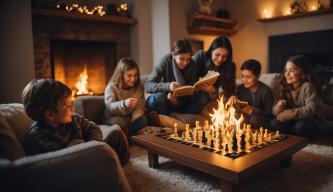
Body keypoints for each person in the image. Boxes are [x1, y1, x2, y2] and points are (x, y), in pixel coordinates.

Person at [22, 79, 129, 165]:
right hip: (72, 165)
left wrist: (92, 145)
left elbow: (93, 128)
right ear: (50, 115)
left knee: (116, 134)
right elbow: (40, 167)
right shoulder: (36, 137)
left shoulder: (74, 119)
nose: (73, 108)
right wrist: (67, 151)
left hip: (90, 151)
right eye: (68, 105)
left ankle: (119, 164)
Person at [145, 39, 208, 115]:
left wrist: (179, 100)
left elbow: (191, 89)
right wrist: (168, 87)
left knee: (203, 98)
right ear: (173, 55)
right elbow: (148, 85)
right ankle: (164, 119)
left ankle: (182, 117)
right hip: (165, 100)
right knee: (158, 98)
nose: (185, 63)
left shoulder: (192, 64)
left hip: (182, 103)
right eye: (181, 59)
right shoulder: (166, 61)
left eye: (188, 59)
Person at [270, 55, 322, 139]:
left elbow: (311, 110)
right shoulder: (285, 86)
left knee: (301, 126)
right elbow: (276, 113)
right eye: (286, 70)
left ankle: (296, 137)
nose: (287, 73)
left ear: (303, 72)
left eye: (292, 70)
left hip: (312, 120)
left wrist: (289, 113)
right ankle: (293, 136)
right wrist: (278, 107)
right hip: (294, 120)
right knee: (274, 123)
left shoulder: (308, 86)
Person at [104, 57, 148, 136]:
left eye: (135, 75)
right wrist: (123, 104)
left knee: (143, 120)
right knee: (120, 122)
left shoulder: (138, 87)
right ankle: (129, 133)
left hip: (129, 118)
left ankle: (128, 132)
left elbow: (140, 106)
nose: (133, 79)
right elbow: (109, 107)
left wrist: (135, 119)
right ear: (121, 75)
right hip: (113, 117)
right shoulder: (112, 87)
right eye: (129, 75)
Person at [193, 36, 236, 116]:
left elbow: (229, 92)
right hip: (194, 94)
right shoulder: (201, 56)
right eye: (217, 55)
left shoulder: (230, 66)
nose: (220, 59)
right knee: (203, 98)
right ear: (211, 51)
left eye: (224, 56)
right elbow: (189, 76)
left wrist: (213, 91)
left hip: (212, 97)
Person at [231, 59, 274, 129]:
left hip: (261, 120)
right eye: (242, 76)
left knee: (254, 119)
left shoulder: (266, 91)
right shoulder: (240, 89)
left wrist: (257, 111)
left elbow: (271, 114)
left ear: (258, 76)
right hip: (245, 118)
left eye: (248, 77)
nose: (244, 80)